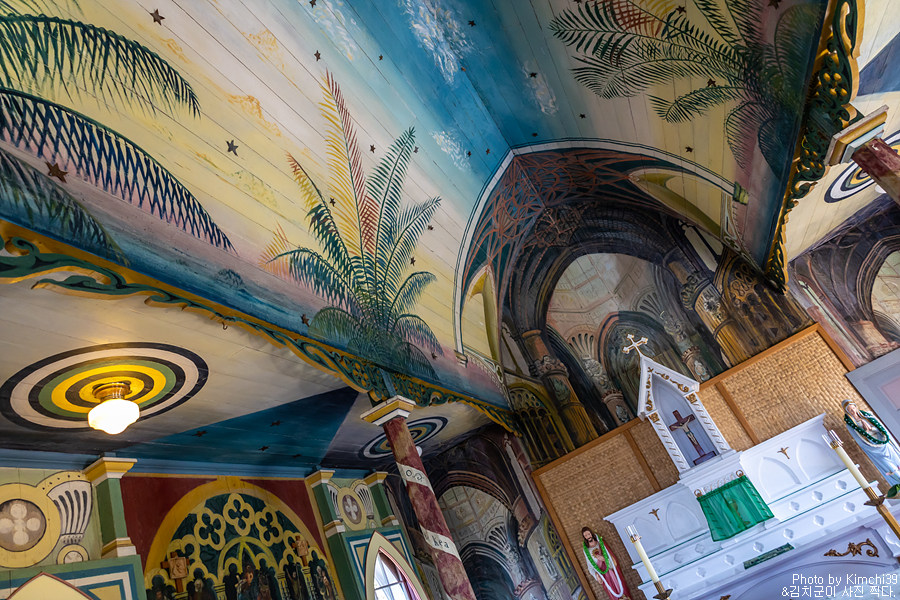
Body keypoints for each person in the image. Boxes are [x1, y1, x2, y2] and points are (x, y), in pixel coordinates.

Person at [843, 400, 900, 498]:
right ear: (847, 412)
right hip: (873, 448)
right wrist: (866, 432)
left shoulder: (868, 416)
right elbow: (858, 439)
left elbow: (881, 429)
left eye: (853, 408)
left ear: (856, 407)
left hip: (883, 442)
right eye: (850, 410)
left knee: (897, 461)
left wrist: (870, 428)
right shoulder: (851, 424)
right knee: (890, 468)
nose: (853, 411)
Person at [581, 527, 630, 600]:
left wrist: (604, 559)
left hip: (611, 571)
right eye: (585, 535)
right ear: (584, 537)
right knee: (612, 592)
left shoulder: (600, 543)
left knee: (620, 588)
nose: (588, 536)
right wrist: (596, 575)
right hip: (603, 576)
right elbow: (590, 566)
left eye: (589, 534)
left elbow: (611, 557)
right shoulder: (586, 550)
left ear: (591, 533)